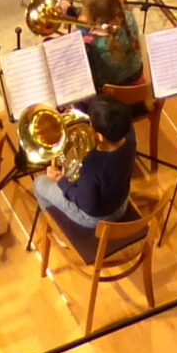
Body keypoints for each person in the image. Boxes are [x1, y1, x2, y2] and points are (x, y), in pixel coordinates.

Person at [30, 97, 138, 254]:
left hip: (96, 219)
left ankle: (59, 229)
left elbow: (87, 205)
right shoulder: (129, 133)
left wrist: (61, 181)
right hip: (121, 201)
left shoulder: (93, 164)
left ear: (100, 136)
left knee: (40, 183)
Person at [80, 0, 143, 90]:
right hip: (136, 79)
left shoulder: (91, 42)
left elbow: (88, 73)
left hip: (109, 93)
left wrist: (79, 27)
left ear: (91, 12)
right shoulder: (129, 17)